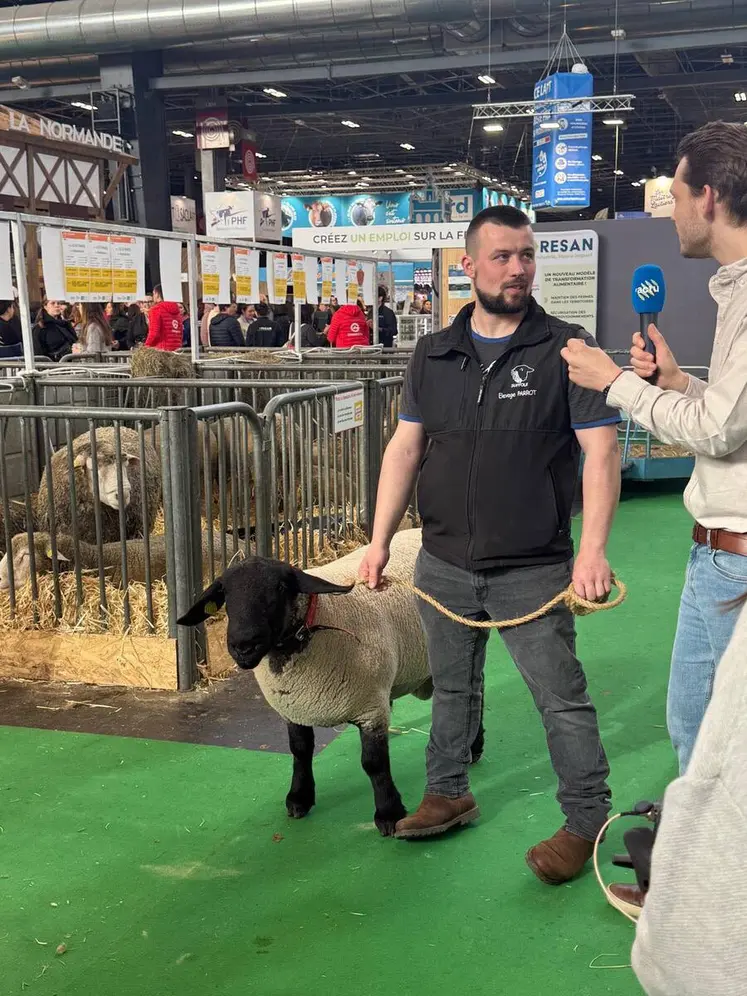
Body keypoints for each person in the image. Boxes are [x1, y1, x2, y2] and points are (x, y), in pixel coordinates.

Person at [358, 205, 622, 884]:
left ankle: (586, 820)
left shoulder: (566, 348)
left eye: (526, 256)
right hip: (443, 561)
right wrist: (378, 540)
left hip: (532, 568)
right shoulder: (432, 354)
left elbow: (599, 454)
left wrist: (590, 551)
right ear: (467, 267)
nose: (517, 269)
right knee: (450, 687)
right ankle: (447, 791)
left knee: (559, 698)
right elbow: (405, 448)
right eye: (502, 257)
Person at [562, 119, 747, 777]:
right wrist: (673, 382)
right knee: (694, 726)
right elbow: (730, 413)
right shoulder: (732, 289)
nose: (667, 211)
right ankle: (692, 862)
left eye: (674, 194)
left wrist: (612, 382)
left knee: (723, 744)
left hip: (737, 556)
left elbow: (720, 432)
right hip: (717, 552)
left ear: (708, 198)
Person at [631, 595, 747, 996]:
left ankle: (684, 895)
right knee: (688, 725)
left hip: (735, 557)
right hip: (708, 554)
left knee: (720, 774)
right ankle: (677, 884)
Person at [145, 285, 183, 351]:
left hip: (162, 350)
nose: (153, 296)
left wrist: (146, 346)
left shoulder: (156, 309)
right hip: (176, 349)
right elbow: (180, 332)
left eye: (153, 294)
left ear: (157, 294)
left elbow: (154, 333)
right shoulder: (177, 310)